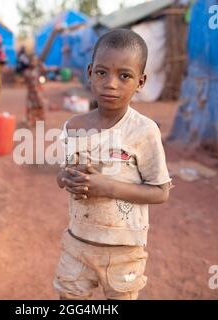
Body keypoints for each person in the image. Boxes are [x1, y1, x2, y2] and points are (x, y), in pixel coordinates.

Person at [53, 29, 172, 300]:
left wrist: (107, 186)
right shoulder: (74, 126)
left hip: (124, 250)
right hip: (77, 242)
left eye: (125, 76)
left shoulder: (144, 131)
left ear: (140, 82)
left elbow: (160, 192)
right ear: (90, 72)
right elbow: (63, 174)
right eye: (102, 73)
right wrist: (66, 178)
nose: (111, 84)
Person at [24, 54, 46, 127]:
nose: (33, 63)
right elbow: (26, 81)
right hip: (31, 93)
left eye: (34, 61)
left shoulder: (38, 70)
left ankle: (40, 120)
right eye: (31, 61)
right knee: (30, 107)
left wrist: (41, 63)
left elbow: (44, 70)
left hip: (38, 92)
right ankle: (30, 120)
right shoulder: (27, 72)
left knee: (40, 105)